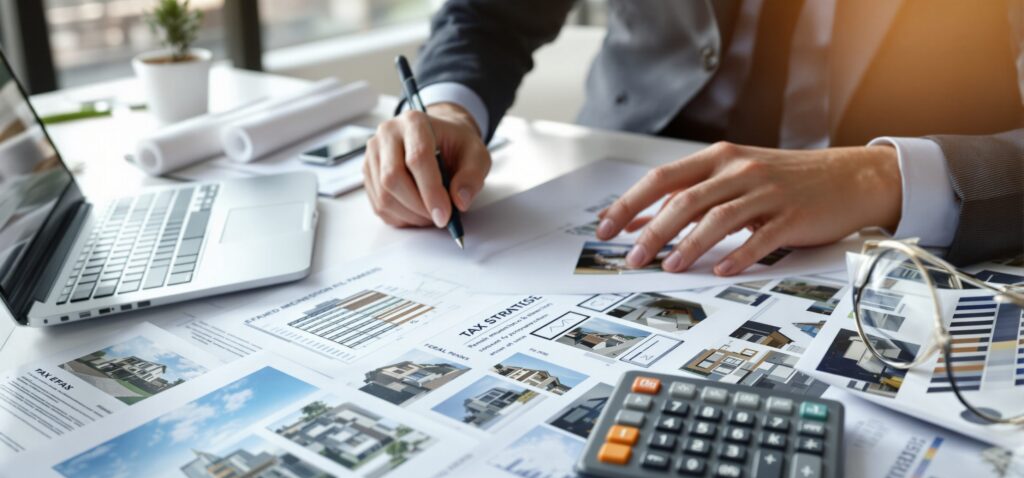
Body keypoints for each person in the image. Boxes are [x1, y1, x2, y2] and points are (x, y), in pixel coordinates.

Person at [363, 0, 1024, 275]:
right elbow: (489, 15)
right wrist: (448, 110)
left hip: (892, 235)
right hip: (614, 191)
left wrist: (881, 176)